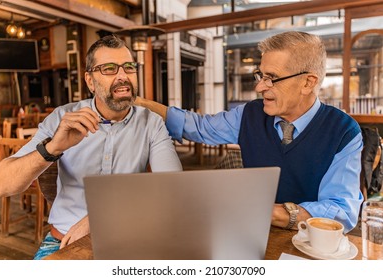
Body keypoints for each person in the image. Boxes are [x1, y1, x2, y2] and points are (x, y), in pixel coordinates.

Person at [136, 31, 364, 233]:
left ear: (307, 83)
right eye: (260, 75)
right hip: (254, 233)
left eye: (271, 78)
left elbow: (342, 210)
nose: (259, 87)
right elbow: (198, 126)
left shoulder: (344, 131)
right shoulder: (250, 114)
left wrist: (272, 212)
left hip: (312, 245)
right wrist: (134, 102)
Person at [0, 35, 182, 259]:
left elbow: (173, 190)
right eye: (110, 68)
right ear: (90, 81)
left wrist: (97, 219)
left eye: (129, 67)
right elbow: (0, 186)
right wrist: (53, 148)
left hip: (128, 240)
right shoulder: (62, 117)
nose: (123, 76)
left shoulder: (151, 123)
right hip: (63, 242)